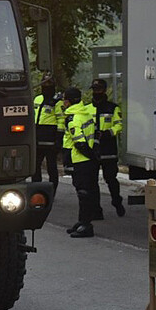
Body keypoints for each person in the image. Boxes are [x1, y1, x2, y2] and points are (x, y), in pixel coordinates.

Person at [64, 87, 99, 238]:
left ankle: (86, 225)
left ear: (68, 101)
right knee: (86, 191)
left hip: (80, 160)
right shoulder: (85, 114)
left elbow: (79, 143)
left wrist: (90, 156)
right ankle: (82, 221)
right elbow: (95, 134)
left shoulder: (73, 118)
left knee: (83, 193)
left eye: (64, 99)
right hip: (88, 160)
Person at [90, 79, 125, 217]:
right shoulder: (87, 108)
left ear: (104, 90)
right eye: (94, 89)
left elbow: (119, 125)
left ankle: (117, 202)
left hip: (108, 148)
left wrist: (108, 133)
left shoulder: (113, 108)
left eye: (98, 90)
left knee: (110, 178)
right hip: (92, 149)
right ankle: (97, 210)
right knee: (92, 181)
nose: (95, 92)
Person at [32, 74, 64, 193]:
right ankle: (36, 189)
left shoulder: (57, 102)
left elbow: (61, 120)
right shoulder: (37, 99)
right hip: (38, 138)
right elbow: (33, 117)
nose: (46, 86)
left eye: (49, 84)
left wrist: (58, 139)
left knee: (52, 167)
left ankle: (52, 191)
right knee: (35, 167)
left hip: (51, 140)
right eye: (44, 84)